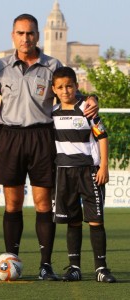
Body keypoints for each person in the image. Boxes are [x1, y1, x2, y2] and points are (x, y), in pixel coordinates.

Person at [0, 14, 98, 280]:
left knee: (42, 203)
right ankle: (11, 260)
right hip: (9, 138)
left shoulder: (52, 64)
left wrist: (91, 99)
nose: (26, 38)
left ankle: (45, 265)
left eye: (31, 33)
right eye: (21, 33)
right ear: (13, 35)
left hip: (43, 137)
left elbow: (68, 91)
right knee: (12, 203)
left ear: (37, 35)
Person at [51, 66, 116, 283]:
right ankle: (75, 268)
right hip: (64, 173)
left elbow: (102, 137)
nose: (65, 90)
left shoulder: (87, 110)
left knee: (96, 220)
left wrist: (104, 166)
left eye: (69, 86)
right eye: (60, 87)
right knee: (73, 221)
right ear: (54, 89)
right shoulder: (52, 113)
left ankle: (101, 268)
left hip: (89, 172)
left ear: (77, 86)